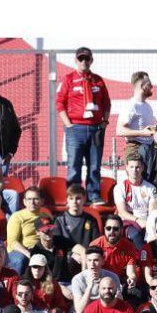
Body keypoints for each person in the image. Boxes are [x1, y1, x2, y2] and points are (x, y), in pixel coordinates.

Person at [56, 47, 111, 205]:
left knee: (95, 165)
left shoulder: (98, 80)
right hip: (76, 129)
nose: (84, 62)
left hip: (95, 129)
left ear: (91, 60)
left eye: (87, 59)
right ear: (76, 61)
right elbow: (59, 103)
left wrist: (104, 123)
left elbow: (106, 102)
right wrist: (69, 125)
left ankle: (94, 196)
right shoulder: (68, 79)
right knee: (74, 165)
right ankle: (74, 197)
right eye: (81, 59)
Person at [112, 156, 157, 247]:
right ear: (127, 167)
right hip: (128, 222)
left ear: (142, 168)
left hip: (146, 222)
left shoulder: (151, 188)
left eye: (137, 167)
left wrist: (148, 223)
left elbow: (152, 212)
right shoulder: (120, 187)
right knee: (136, 235)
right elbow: (122, 212)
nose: (134, 170)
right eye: (131, 167)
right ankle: (141, 260)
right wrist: (138, 220)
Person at [5, 188, 51, 273]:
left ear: (42, 201)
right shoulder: (17, 216)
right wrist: (29, 254)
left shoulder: (46, 216)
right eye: (29, 199)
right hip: (20, 251)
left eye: (36, 199)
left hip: (40, 249)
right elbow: (13, 243)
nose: (32, 202)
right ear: (24, 201)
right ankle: (16, 284)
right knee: (20, 259)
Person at [70, 246, 121, 313]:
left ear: (102, 261)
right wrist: (89, 287)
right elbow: (79, 310)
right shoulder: (78, 279)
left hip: (107, 312)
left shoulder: (112, 277)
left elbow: (120, 303)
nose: (92, 264)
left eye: (96, 260)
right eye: (89, 260)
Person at [116, 72, 157, 153]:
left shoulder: (148, 106)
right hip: (136, 149)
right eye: (149, 84)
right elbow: (119, 131)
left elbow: (146, 130)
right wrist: (142, 133)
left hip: (149, 148)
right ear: (142, 86)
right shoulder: (131, 105)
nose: (152, 86)